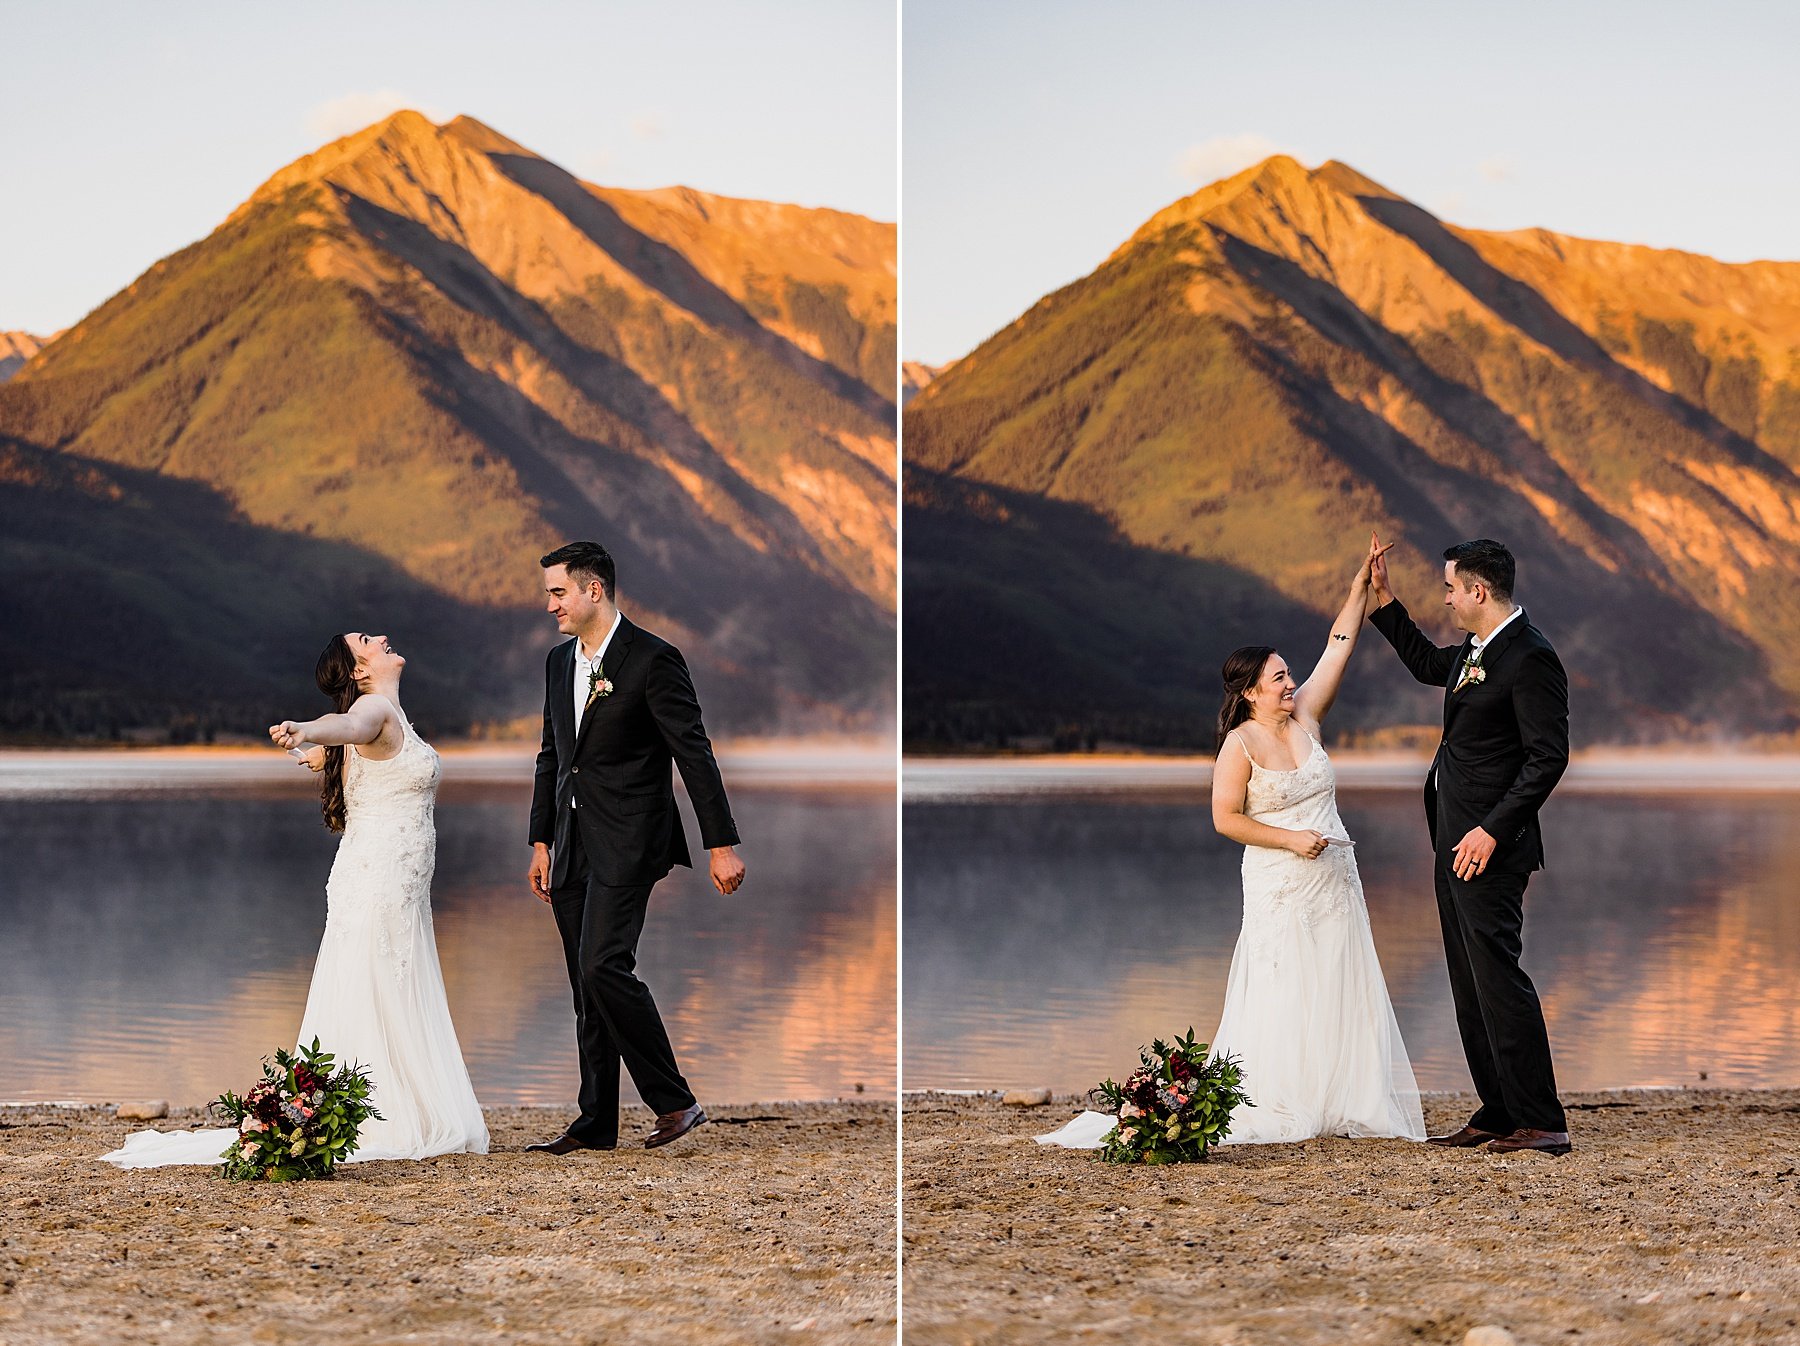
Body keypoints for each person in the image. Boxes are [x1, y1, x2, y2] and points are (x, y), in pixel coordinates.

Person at [1038, 533, 1424, 1149]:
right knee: (1283, 984)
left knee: (1337, 978)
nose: (1290, 682)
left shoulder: (1307, 720)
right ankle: (1281, 1096)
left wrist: (1360, 589)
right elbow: (1225, 819)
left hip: (1335, 881)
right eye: (1278, 678)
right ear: (1249, 691)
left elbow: (1338, 648)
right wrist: (1291, 840)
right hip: (1280, 879)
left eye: (1288, 675)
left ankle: (1341, 1097)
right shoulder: (1239, 746)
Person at [102, 632, 488, 1167]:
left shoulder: (387, 716)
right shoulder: (370, 709)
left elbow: (352, 749)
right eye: (365, 640)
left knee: (390, 982)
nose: (380, 637)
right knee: (374, 983)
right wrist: (310, 728)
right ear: (358, 671)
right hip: (377, 877)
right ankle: (379, 1114)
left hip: (393, 878)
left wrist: (316, 753)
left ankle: (384, 1107)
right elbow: (347, 726)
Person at [525, 541, 745, 1154]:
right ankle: (596, 1122)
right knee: (583, 981)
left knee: (603, 964)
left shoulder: (653, 659)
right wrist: (541, 838)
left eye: (558, 592)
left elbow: (693, 753)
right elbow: (552, 757)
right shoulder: (556, 662)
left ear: (593, 589)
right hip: (570, 842)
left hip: (629, 839)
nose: (550, 605)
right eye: (549, 593)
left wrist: (720, 843)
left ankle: (674, 1101)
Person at [1367, 536, 1572, 1155]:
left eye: (1451, 588)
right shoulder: (1477, 651)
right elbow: (1431, 664)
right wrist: (1385, 603)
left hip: (1490, 845)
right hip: (1451, 837)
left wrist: (1491, 829)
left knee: (1498, 977)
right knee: (1467, 978)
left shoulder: (1531, 657)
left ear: (1479, 591)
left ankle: (1541, 1121)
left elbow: (1547, 758)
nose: (1448, 598)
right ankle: (1499, 1110)